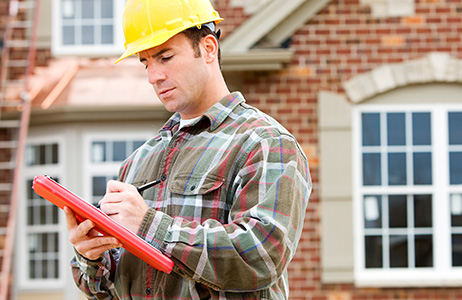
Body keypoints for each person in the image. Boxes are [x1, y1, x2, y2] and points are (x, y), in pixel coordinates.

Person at [64, 0, 312, 299]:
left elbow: (260, 255)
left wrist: (149, 225)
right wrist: (91, 258)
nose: (153, 76)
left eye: (165, 57)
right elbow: (108, 290)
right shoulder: (139, 160)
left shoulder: (264, 143)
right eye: (146, 62)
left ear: (208, 48)